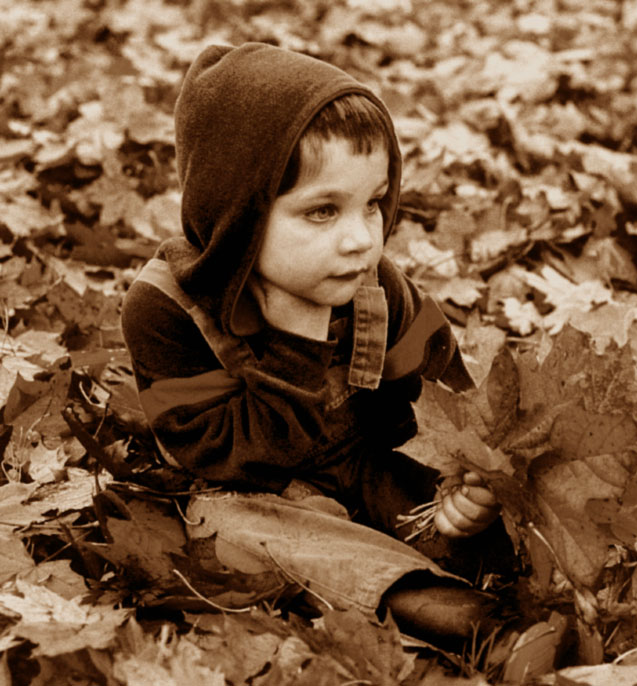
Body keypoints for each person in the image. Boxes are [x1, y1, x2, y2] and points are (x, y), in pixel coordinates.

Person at [120, 42, 510, 639]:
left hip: (369, 465)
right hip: (257, 492)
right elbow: (224, 456)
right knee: (224, 529)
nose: (360, 240)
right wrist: (298, 345)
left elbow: (446, 412)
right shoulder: (166, 311)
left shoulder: (379, 291)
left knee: (484, 503)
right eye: (323, 212)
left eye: (373, 204)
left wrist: (463, 491)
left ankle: (596, 530)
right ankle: (449, 613)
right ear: (237, 215)